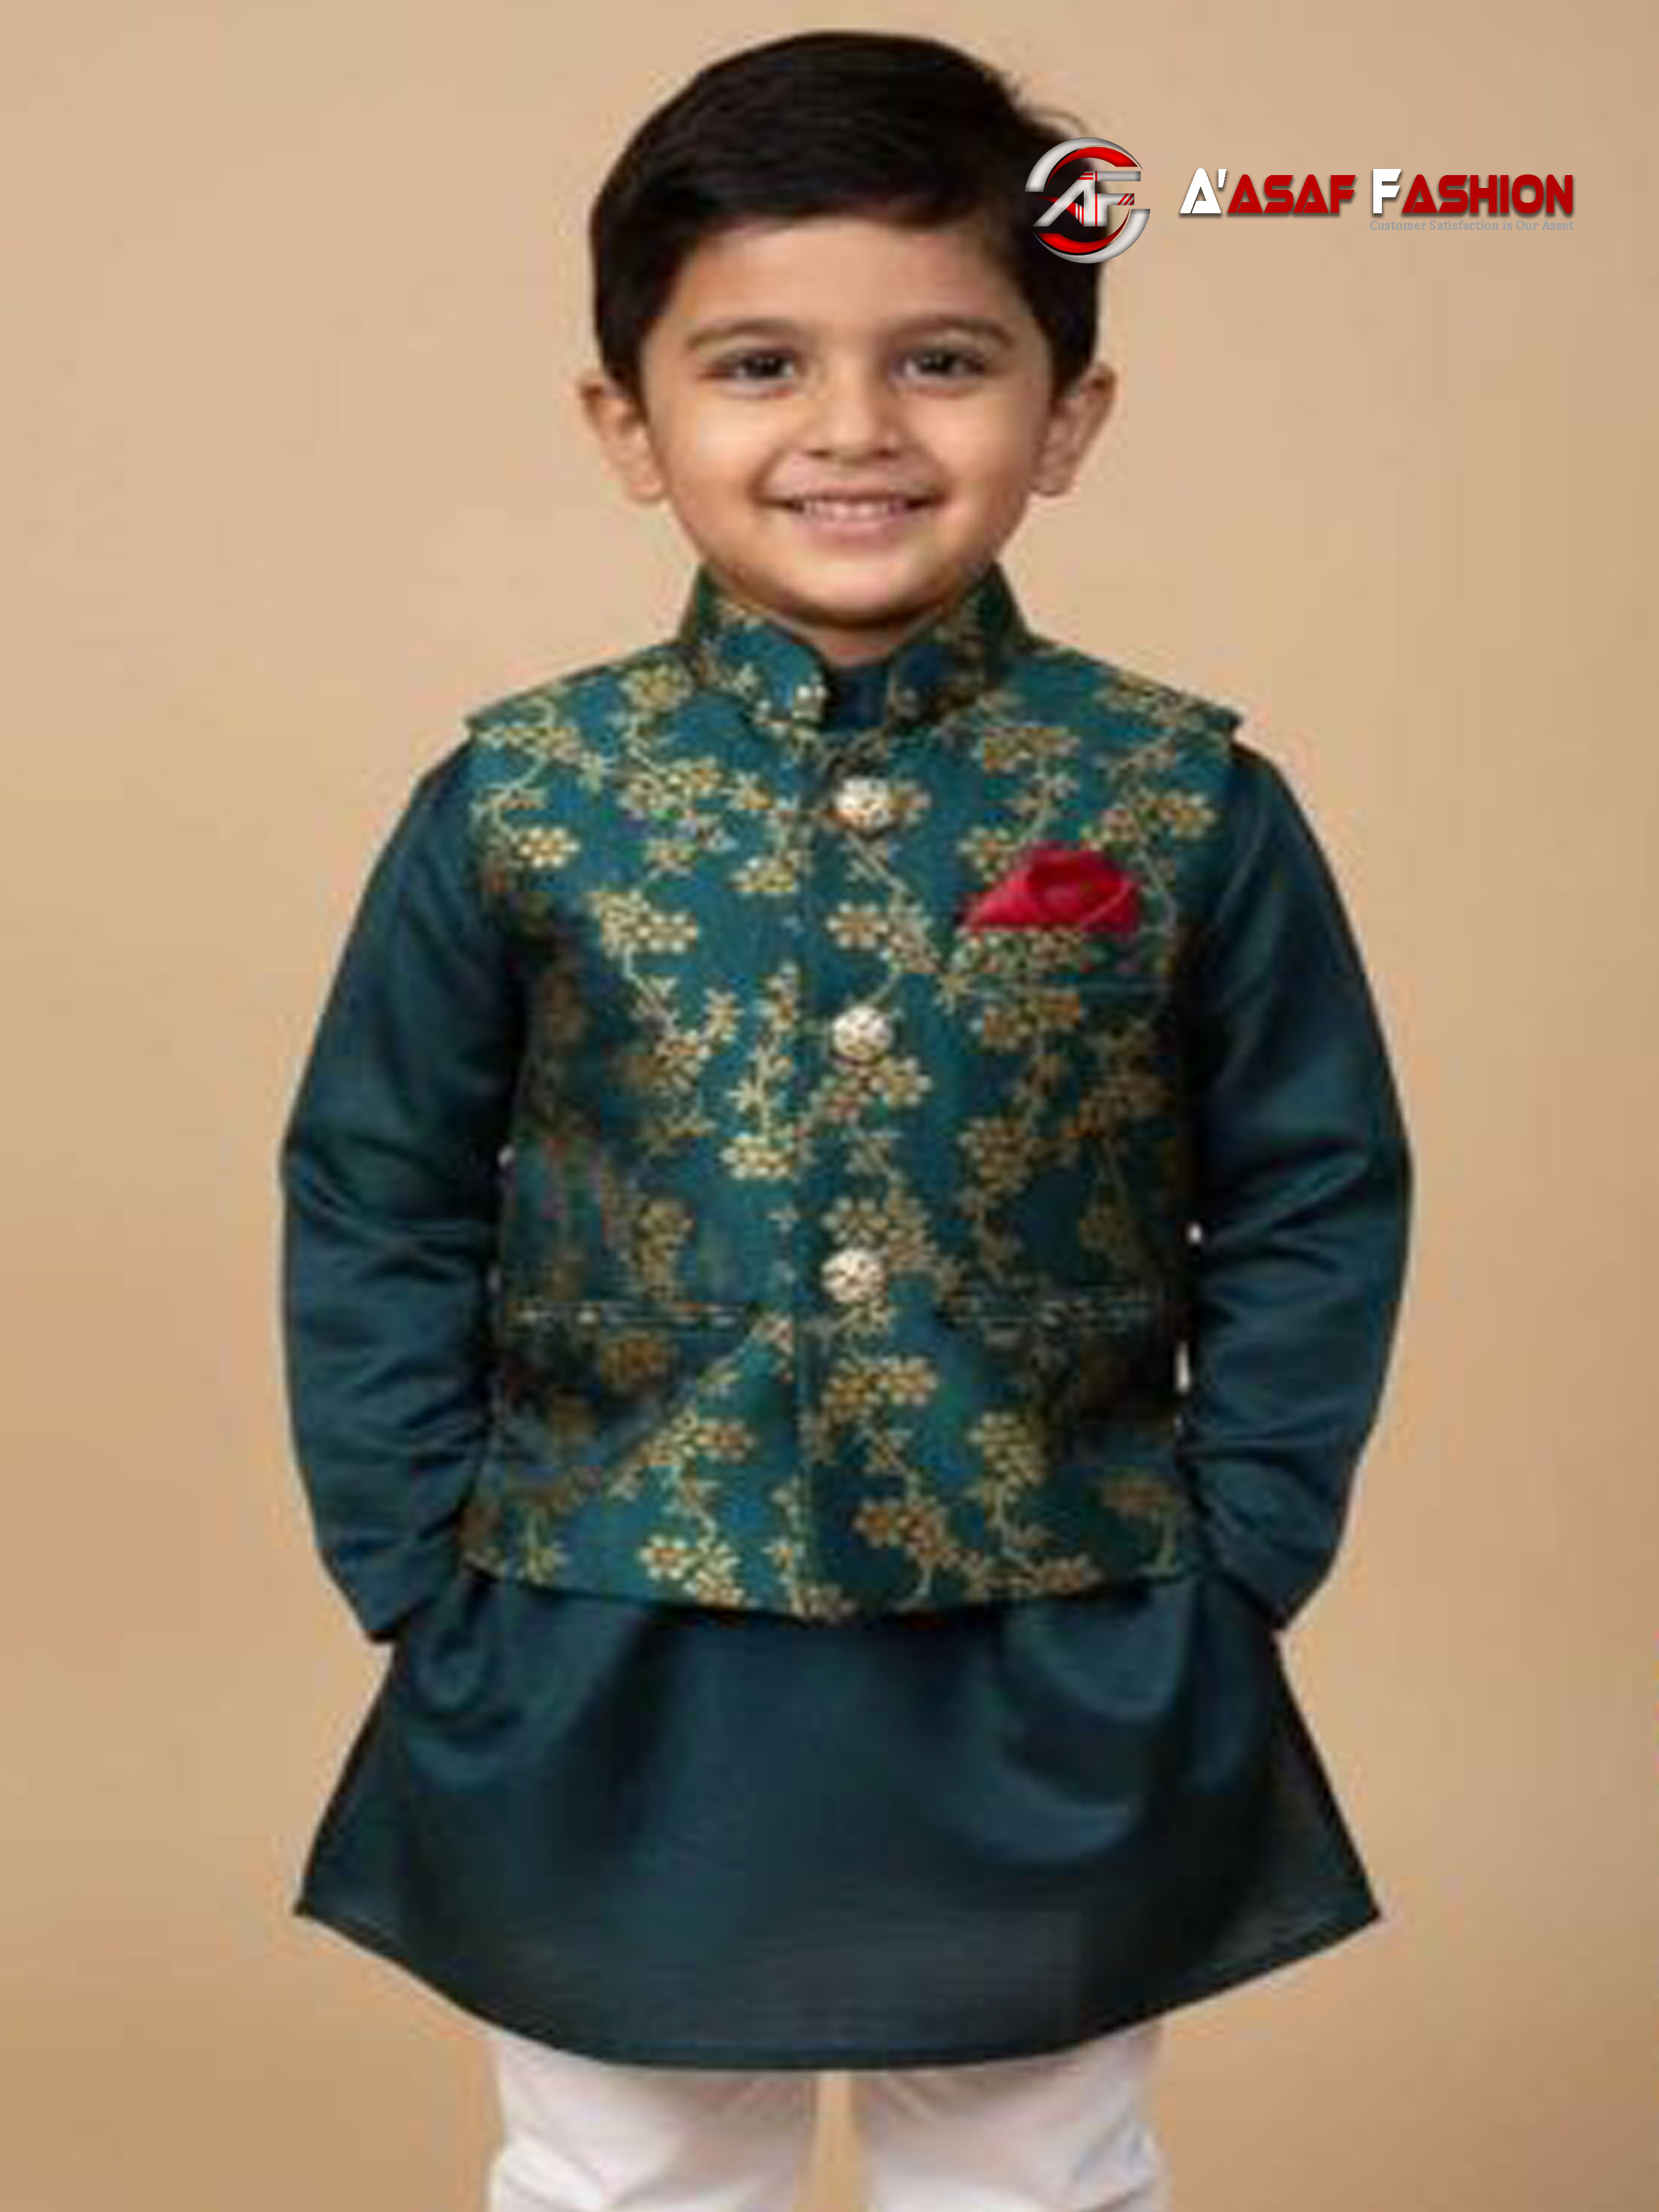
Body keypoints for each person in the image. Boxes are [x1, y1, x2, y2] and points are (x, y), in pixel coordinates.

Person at [276, 29, 1414, 2212]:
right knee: (614, 2172)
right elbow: (377, 1185)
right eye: (759, 364)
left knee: (1037, 2169)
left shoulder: (1175, 796)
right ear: (630, 424)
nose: (853, 431)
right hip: (599, 1609)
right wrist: (411, 1553)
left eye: (944, 361)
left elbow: (1312, 1186)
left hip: (1062, 1613)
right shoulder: (524, 797)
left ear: (1065, 414)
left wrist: (1247, 1542)